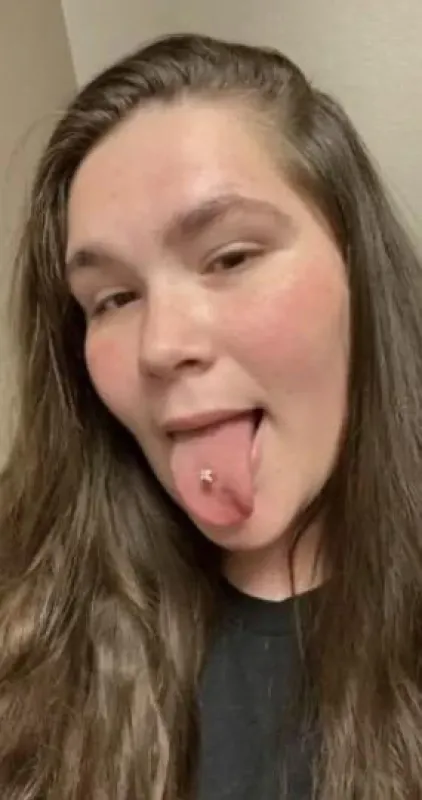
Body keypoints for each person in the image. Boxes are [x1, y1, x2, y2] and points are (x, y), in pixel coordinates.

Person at [0, 31, 421, 800]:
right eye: (113, 299)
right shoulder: (26, 626)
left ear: (355, 263)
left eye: (230, 258)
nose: (161, 346)